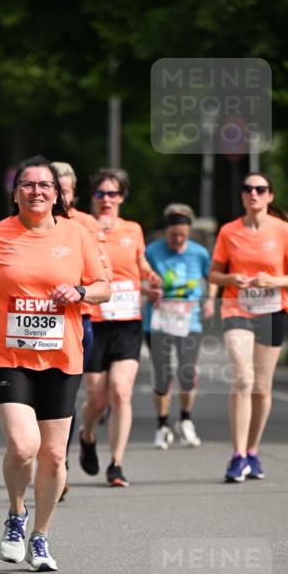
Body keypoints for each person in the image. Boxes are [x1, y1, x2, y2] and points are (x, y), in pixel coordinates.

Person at [0, 155, 110, 571]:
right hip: (7, 353)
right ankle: (15, 513)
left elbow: (104, 287)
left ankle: (40, 537)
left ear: (56, 194)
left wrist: (80, 292)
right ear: (16, 192)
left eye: (44, 185)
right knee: (24, 446)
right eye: (28, 184)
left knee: (55, 456)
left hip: (62, 355)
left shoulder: (76, 235)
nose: (36, 191)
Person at [209, 173, 288, 482]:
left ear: (270, 196)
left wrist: (274, 280)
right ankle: (237, 456)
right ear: (242, 195)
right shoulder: (229, 231)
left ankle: (252, 450)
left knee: (262, 387)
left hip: (272, 310)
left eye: (260, 189)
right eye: (248, 188)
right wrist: (231, 278)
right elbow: (214, 274)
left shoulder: (283, 230)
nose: (253, 193)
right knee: (243, 377)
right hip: (236, 308)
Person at [78, 168, 161, 487]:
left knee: (121, 392)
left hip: (128, 322)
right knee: (97, 399)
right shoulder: (82, 228)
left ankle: (116, 464)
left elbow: (140, 265)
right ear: (92, 198)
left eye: (113, 193)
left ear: (122, 197)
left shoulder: (133, 229)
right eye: (101, 194)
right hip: (94, 322)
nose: (107, 199)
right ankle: (87, 434)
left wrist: (151, 279)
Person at [51, 162, 109, 500]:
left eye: (66, 189)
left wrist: (78, 289)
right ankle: (49, 459)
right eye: (54, 188)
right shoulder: (27, 222)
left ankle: (59, 463)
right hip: (34, 320)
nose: (60, 195)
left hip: (78, 320)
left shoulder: (86, 225)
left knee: (66, 395)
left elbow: (104, 276)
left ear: (73, 193)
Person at [144, 203, 216, 449]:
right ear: (166, 232)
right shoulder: (152, 251)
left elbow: (212, 277)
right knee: (162, 376)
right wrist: (147, 291)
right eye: (173, 235)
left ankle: (185, 420)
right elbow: (137, 277)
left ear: (189, 233)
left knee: (187, 372)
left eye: (183, 235)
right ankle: (162, 425)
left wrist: (210, 300)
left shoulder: (199, 253)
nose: (177, 240)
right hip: (158, 321)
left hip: (189, 320)